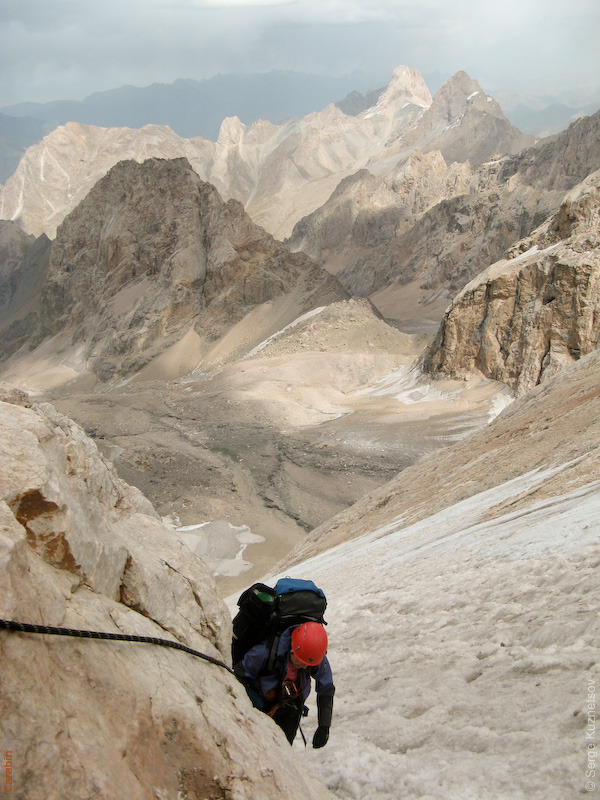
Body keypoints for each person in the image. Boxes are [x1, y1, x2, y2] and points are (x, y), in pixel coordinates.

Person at [234, 620, 334, 747]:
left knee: (282, 747)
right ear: (292, 649)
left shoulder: (312, 654)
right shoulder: (265, 652)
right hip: (260, 704)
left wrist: (324, 725)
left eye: (308, 664)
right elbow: (239, 674)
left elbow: (326, 688)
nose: (304, 666)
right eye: (300, 661)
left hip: (290, 707)